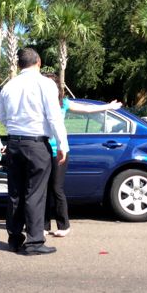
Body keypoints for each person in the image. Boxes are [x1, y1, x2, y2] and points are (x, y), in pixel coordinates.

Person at [0, 48, 69, 255]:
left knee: (15, 194)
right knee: (35, 194)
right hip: (37, 144)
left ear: (19, 65)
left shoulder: (8, 86)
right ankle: (34, 242)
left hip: (14, 143)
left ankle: (14, 239)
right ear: (38, 62)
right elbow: (54, 117)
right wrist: (62, 144)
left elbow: (2, 117)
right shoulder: (45, 84)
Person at [42, 72, 122, 238]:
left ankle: (64, 225)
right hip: (42, 150)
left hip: (60, 151)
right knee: (44, 189)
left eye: (51, 84)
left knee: (56, 188)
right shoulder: (38, 103)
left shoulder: (63, 103)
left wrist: (108, 106)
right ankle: (44, 225)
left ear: (57, 88)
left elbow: (87, 109)